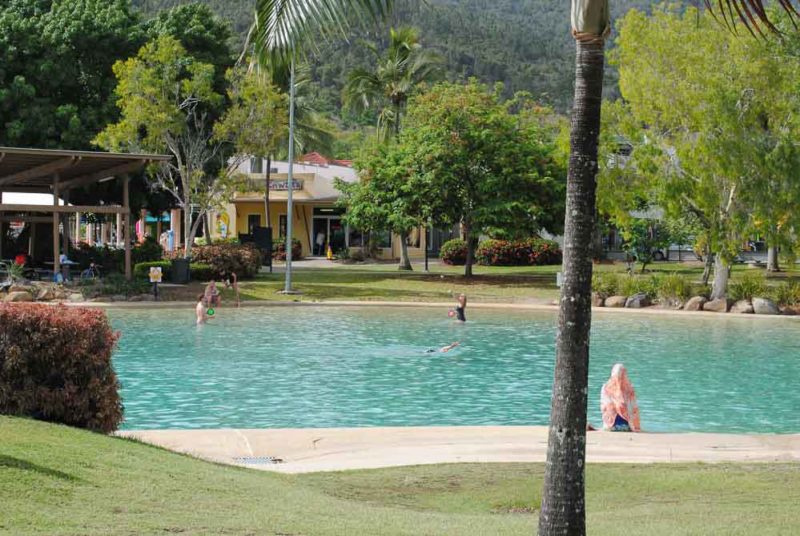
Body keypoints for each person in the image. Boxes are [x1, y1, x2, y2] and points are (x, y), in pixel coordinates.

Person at [600, 363, 641, 432]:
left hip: (615, 426)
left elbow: (605, 407)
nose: (619, 378)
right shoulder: (629, 388)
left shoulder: (606, 387)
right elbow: (634, 408)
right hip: (625, 426)